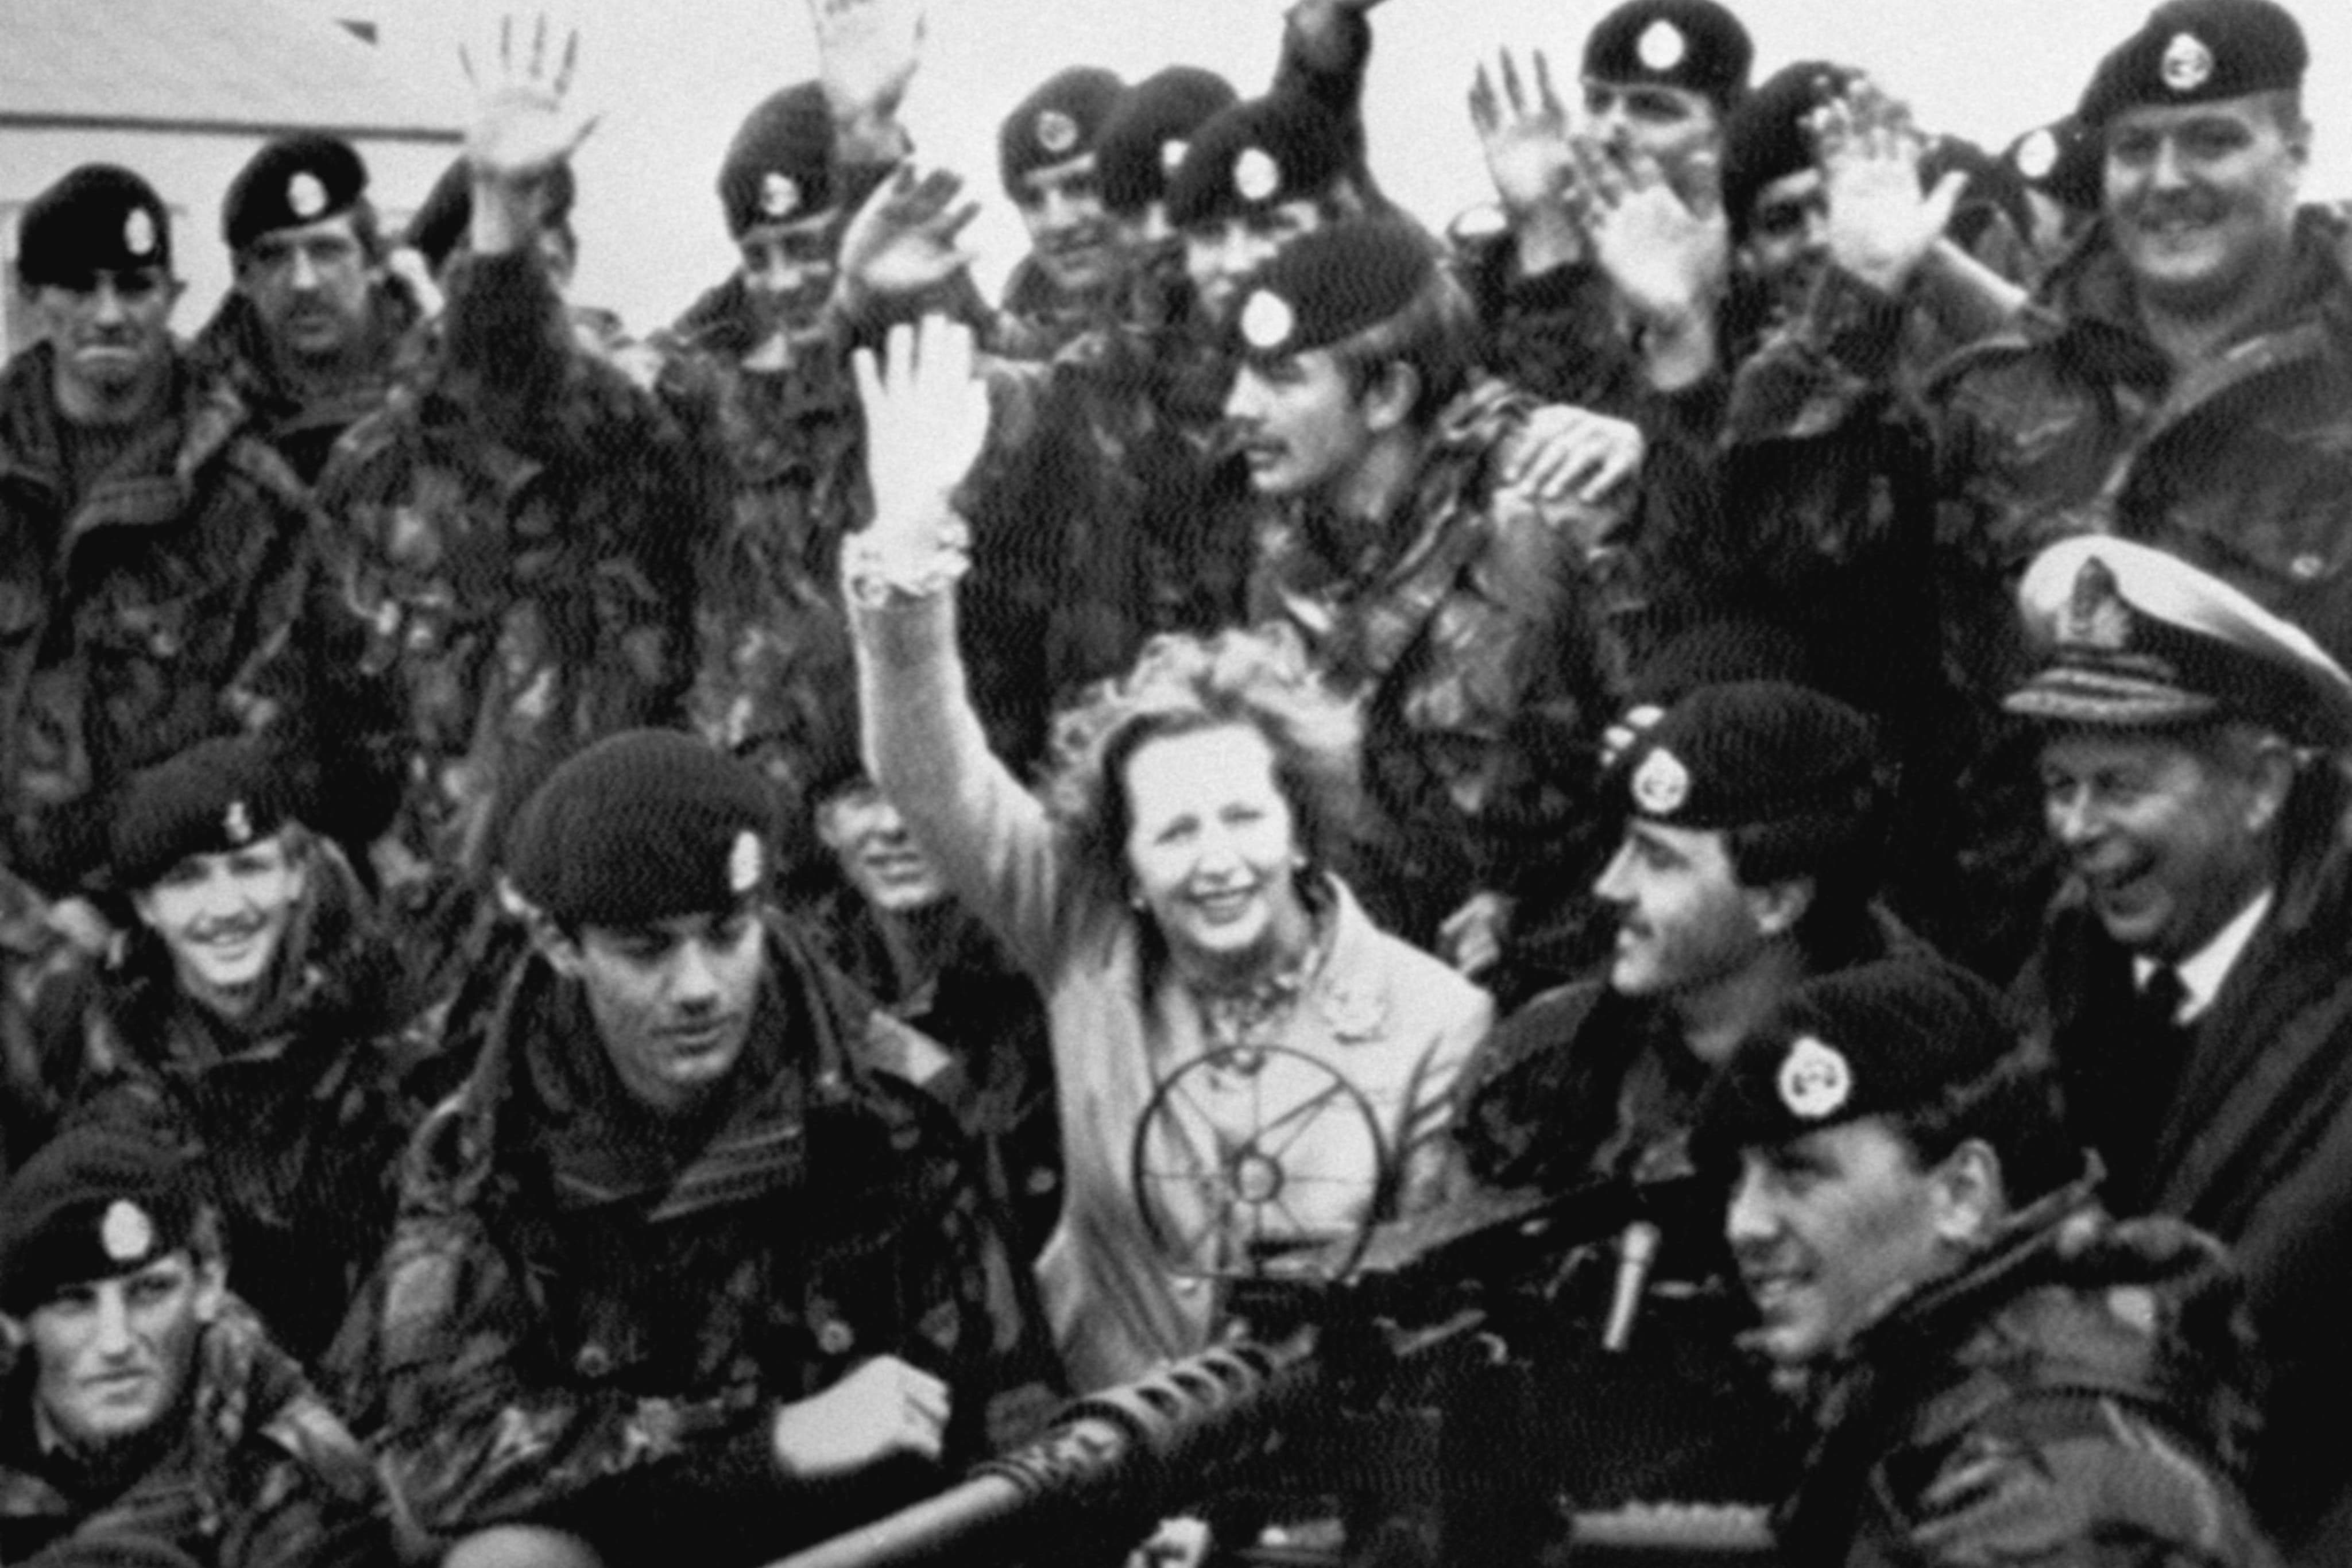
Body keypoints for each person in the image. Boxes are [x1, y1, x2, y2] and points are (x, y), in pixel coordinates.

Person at [849, 314, 1491, 1395]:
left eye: (1243, 817)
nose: (1217, 860)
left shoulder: (1433, 1022)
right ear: (1128, 863)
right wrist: (907, 548)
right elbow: (930, 775)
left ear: (1298, 825)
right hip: (1094, 1464)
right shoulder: (1082, 933)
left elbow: (1425, 1318)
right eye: (1175, 831)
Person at [332, 729, 1011, 1568]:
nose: (697, 987)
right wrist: (764, 1448)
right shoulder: (484, 1151)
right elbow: (446, 1460)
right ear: (558, 945)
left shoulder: (895, 1104)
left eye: (727, 933)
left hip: (871, 1530)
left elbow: (1003, 1392)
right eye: (646, 949)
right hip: (636, 1537)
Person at [303, 32, 718, 996]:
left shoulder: (650, 426)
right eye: (465, 281)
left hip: (633, 917)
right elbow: (326, 709)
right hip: (439, 936)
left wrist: (500, 235)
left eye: (532, 267)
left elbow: (524, 375)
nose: (488, 315)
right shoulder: (366, 469)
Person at [1447, 679, 1894, 1534]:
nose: (1612, 884)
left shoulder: (1916, 1082)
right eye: (1622, 846)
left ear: (1777, 899)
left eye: (1658, 858)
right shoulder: (1543, 1067)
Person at [2005, 534, 2352, 1560]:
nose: (2073, 826)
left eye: (2116, 786)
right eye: (2058, 785)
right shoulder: (2075, 950)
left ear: (2260, 788)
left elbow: (2247, 1304)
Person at [1700, 953, 2278, 1566]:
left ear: (1961, 1193)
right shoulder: (1932, 1412)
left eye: (1797, 1172)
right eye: (1740, 1181)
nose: (1744, 1225)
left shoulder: (2056, 1470)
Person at [1228, 217, 1624, 986]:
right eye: (1243, 372)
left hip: (1571, 984)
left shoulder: (1546, 511)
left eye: (1281, 378)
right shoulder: (1286, 552)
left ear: (1388, 395)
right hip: (1386, 994)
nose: (1239, 406)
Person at [5, 737, 419, 1367]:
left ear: (295, 876)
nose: (225, 909)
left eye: (249, 868)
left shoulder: (388, 1015)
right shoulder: (102, 1047)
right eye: (186, 881)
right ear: (144, 905)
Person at [0, 164, 320, 917]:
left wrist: (127, 902)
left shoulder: (248, 495)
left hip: (180, 910)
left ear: (173, 297)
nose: (109, 314)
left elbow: (272, 745)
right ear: (31, 295)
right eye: (80, 287)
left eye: (135, 286)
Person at [0, 1125, 393, 1568]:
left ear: (208, 1286)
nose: (116, 1341)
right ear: (15, 1321)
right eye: (74, 1301)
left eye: (150, 1291)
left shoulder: (305, 1474)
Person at [192, 135, 421, 485]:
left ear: (376, 263)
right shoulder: (191, 410)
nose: (303, 282)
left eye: (327, 251)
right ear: (243, 278)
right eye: (273, 256)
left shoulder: (439, 394)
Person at [995, 65, 1127, 349]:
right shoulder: (1031, 293)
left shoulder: (1206, 288)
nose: (1058, 222)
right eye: (1032, 200)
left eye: (1083, 187)